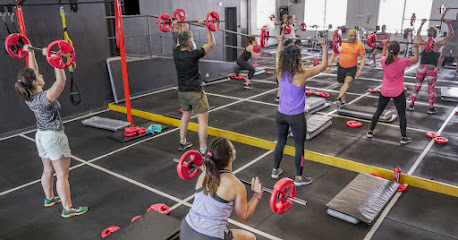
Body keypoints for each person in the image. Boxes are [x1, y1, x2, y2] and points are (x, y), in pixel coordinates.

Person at [15, 45, 88, 218]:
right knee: (62, 174)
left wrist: (31, 52)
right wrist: (56, 60)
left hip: (41, 136)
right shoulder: (44, 98)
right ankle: (68, 208)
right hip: (54, 137)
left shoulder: (29, 94)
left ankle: (49, 198)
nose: (41, 75)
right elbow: (60, 82)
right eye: (39, 76)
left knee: (48, 170)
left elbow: (32, 71)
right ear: (35, 82)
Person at [272, 34, 328, 186]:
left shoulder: (279, 71)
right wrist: (324, 46)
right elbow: (324, 65)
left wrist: (280, 43)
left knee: (280, 142)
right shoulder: (301, 75)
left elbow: (277, 55)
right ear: (297, 59)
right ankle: (299, 178)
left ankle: (275, 170)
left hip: (281, 115)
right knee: (299, 146)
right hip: (296, 117)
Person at [180, 137, 263, 240]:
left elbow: (209, 171)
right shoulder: (236, 185)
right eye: (233, 148)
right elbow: (244, 217)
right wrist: (257, 195)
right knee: (251, 238)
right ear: (231, 157)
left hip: (186, 230)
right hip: (210, 237)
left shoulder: (204, 175)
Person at [173, 18, 215, 154]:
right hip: (196, 93)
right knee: (202, 120)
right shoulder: (194, 54)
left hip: (182, 92)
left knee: (185, 116)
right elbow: (212, 43)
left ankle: (182, 142)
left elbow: (180, 38)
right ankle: (203, 150)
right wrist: (207, 26)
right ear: (190, 43)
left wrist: (179, 25)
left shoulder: (176, 52)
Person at [367, 40, 419, 145]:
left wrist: (385, 45)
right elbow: (416, 60)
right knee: (401, 114)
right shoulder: (403, 61)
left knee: (378, 111)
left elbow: (382, 55)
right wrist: (416, 47)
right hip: (398, 92)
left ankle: (370, 132)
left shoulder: (384, 61)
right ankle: (403, 137)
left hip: (385, 91)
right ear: (399, 51)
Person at [409, 18, 453, 114]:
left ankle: (411, 104)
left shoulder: (422, 43)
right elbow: (450, 36)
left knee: (417, 86)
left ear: (428, 34)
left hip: (421, 67)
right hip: (432, 69)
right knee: (431, 88)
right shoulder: (437, 45)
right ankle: (431, 108)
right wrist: (448, 24)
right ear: (435, 35)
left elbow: (418, 33)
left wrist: (422, 23)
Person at [327, 28, 366, 106]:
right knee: (342, 85)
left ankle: (338, 97)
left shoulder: (359, 45)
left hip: (352, 68)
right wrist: (329, 65)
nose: (353, 37)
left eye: (355, 36)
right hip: (341, 67)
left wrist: (360, 69)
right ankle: (343, 101)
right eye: (351, 35)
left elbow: (363, 57)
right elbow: (334, 54)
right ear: (347, 35)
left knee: (347, 82)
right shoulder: (342, 43)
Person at [436, 8, 458, 74]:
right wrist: (446, 10)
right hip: (450, 41)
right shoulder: (453, 21)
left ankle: (457, 70)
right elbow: (442, 19)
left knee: (457, 57)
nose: (457, 16)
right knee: (443, 55)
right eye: (457, 15)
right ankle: (438, 68)